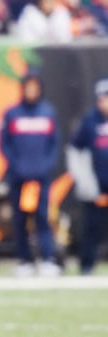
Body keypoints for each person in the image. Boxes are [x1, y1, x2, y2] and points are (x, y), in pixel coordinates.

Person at [0, 71, 62, 277]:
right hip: (18, 176)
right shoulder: (12, 114)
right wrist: (16, 166)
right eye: (28, 87)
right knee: (19, 220)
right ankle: (24, 260)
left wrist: (45, 166)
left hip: (41, 177)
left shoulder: (48, 112)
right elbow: (4, 144)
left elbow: (54, 144)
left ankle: (47, 258)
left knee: (43, 218)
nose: (31, 91)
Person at [66, 77, 108, 275]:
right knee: (91, 230)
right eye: (103, 98)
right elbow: (75, 153)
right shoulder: (89, 121)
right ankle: (86, 266)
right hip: (95, 190)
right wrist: (90, 188)